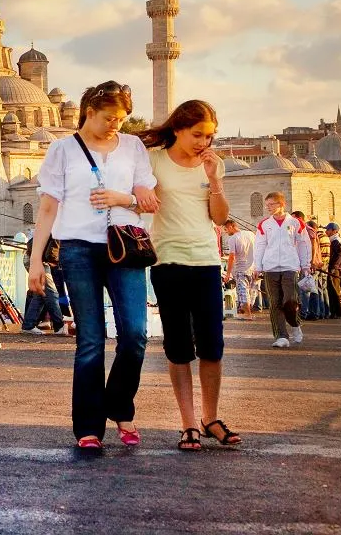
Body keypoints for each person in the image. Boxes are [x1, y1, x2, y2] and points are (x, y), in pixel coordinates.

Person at [28, 80, 159, 451]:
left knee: (134, 334)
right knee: (90, 341)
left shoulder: (133, 147)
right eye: (109, 118)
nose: (116, 124)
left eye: (121, 118)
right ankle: (88, 426)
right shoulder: (63, 149)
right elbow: (49, 207)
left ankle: (119, 404)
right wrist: (37, 260)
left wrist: (122, 197)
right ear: (89, 112)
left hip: (124, 247)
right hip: (78, 250)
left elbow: (148, 200)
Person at [140, 100, 242, 452]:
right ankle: (187, 423)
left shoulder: (214, 165)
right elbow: (140, 198)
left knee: (212, 346)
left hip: (205, 260)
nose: (203, 142)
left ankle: (210, 417)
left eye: (209, 136)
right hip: (167, 261)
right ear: (179, 129)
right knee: (179, 346)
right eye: (197, 134)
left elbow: (219, 217)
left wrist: (214, 181)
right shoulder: (153, 159)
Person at [255, 192, 310, 348]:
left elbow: (304, 244)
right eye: (267, 205)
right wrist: (258, 266)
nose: (268, 208)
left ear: (281, 204)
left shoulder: (295, 223)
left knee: (290, 300)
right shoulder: (264, 224)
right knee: (275, 303)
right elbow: (260, 245)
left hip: (290, 266)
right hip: (270, 267)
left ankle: (295, 324)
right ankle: (281, 336)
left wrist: (305, 264)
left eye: (271, 204)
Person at [21, 236, 67, 336]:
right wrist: (58, 262)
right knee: (52, 293)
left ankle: (28, 325)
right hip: (37, 261)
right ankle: (59, 326)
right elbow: (52, 253)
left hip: (34, 259)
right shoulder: (59, 231)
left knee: (41, 294)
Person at [223, 220, 258, 318]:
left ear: (230, 226)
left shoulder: (233, 239)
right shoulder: (250, 234)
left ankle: (248, 315)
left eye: (226, 229)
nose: (226, 232)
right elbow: (258, 249)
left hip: (241, 269)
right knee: (252, 291)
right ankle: (247, 312)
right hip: (253, 268)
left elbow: (231, 257)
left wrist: (228, 273)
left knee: (243, 292)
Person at [326, 222, 341, 319]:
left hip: (335, 270)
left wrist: (334, 267)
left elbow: (340, 254)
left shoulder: (337, 241)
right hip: (334, 269)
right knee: (331, 290)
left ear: (334, 231)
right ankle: (334, 312)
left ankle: (339, 313)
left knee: (335, 290)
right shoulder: (333, 241)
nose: (326, 231)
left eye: (328, 230)